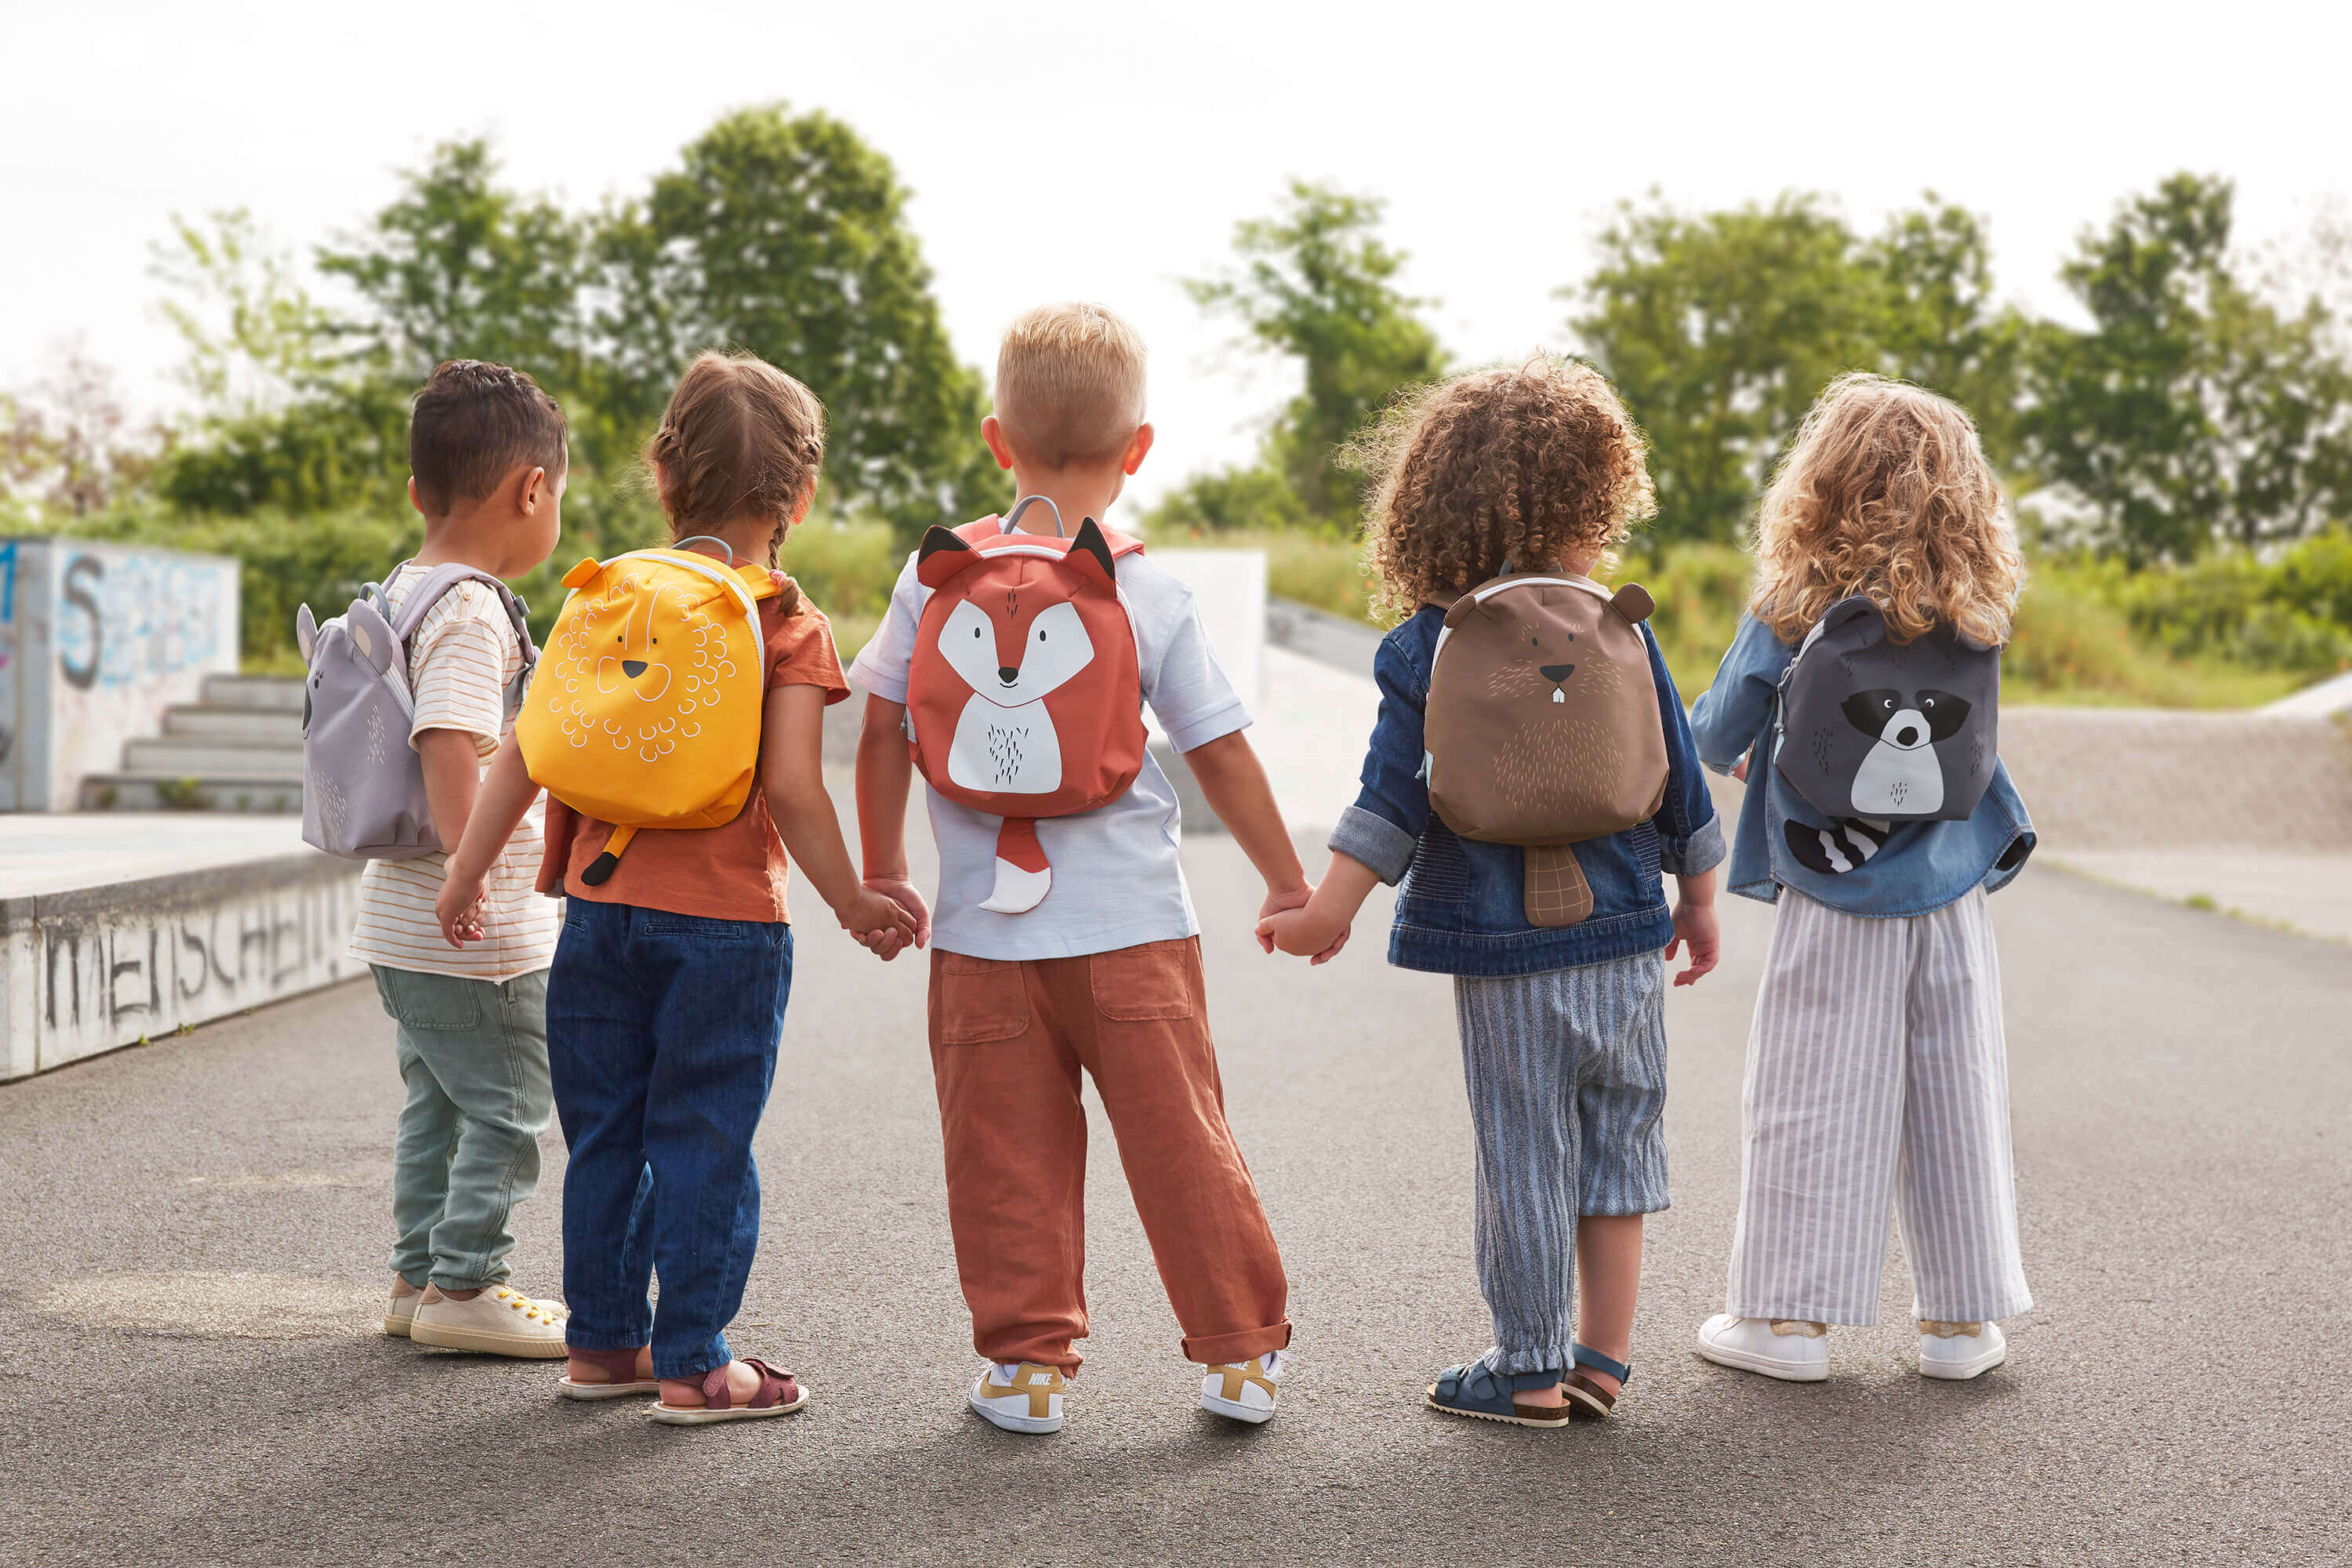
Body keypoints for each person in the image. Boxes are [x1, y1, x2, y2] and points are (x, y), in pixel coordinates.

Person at [438, 350, 915, 1425]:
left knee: (605, 1135)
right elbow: (792, 788)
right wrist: (852, 899)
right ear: (801, 494)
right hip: (728, 930)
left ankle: (606, 1345)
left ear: (664, 477)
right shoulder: (784, 618)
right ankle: (700, 1362)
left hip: (597, 920)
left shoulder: (605, 599)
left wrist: (469, 870)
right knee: (702, 1138)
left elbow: (526, 750)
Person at [849, 302, 1301, 1434]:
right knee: (1181, 1139)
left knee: (1003, 1153)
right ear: (1138, 449)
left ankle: (1026, 1367)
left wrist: (882, 864)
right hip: (1135, 927)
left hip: (982, 940)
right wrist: (1287, 883)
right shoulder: (1143, 590)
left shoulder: (933, 575)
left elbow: (877, 727)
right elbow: (1221, 752)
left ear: (996, 439)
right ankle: (1240, 1355)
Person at [1261, 354, 1724, 1424]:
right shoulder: (1621, 624)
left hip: (1504, 956)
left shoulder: (1432, 641)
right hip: (1625, 940)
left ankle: (1526, 1371)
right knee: (1620, 1144)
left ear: (1430, 506)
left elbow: (1392, 797)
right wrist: (1697, 903)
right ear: (1595, 498)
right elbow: (1680, 780)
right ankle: (1603, 1362)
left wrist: (1326, 909)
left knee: (1526, 1158)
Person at [1690, 372, 2035, 1384]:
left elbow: (1716, 731)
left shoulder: (1797, 604)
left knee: (1812, 1092)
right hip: (1951, 889)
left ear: (1820, 485)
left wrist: (1779, 743)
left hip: (1832, 889)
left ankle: (1789, 1323)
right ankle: (1962, 1325)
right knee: (1958, 1093)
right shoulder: (1975, 611)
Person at [358, 360, 572, 1358]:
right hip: (470, 931)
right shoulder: (475, 609)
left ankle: (414, 1275)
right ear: (533, 489)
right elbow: (449, 736)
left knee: (438, 1101)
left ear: (418, 492)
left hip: (397, 923)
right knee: (514, 1105)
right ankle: (466, 1283)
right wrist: (472, 870)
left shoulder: (398, 590)